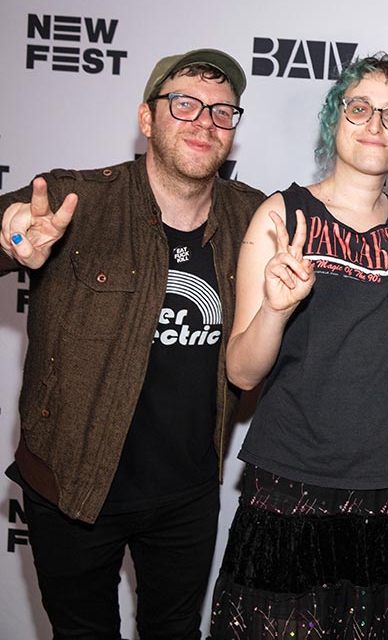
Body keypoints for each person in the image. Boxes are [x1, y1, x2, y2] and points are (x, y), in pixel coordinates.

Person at [0, 48, 262, 638]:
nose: (205, 122)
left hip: (187, 494)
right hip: (71, 487)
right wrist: (11, 235)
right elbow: (12, 224)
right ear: (147, 119)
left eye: (222, 112)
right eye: (185, 104)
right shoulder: (75, 201)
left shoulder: (253, 217)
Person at [209, 53, 388, 640]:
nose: (375, 124)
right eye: (359, 108)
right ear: (333, 120)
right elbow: (241, 373)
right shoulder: (282, 215)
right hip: (299, 484)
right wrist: (275, 308)